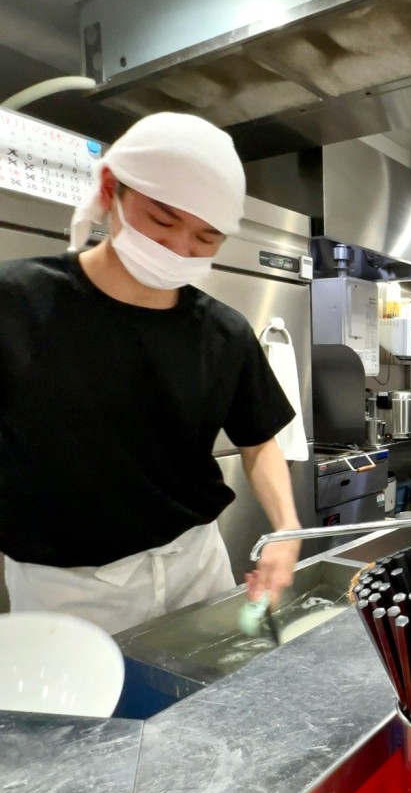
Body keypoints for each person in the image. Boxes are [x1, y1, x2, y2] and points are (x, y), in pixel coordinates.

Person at [0, 112, 303, 636]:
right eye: (162, 221)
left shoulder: (223, 332)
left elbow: (258, 442)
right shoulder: (19, 303)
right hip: (68, 588)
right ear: (112, 188)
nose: (179, 249)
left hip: (195, 564)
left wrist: (288, 527)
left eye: (206, 238)